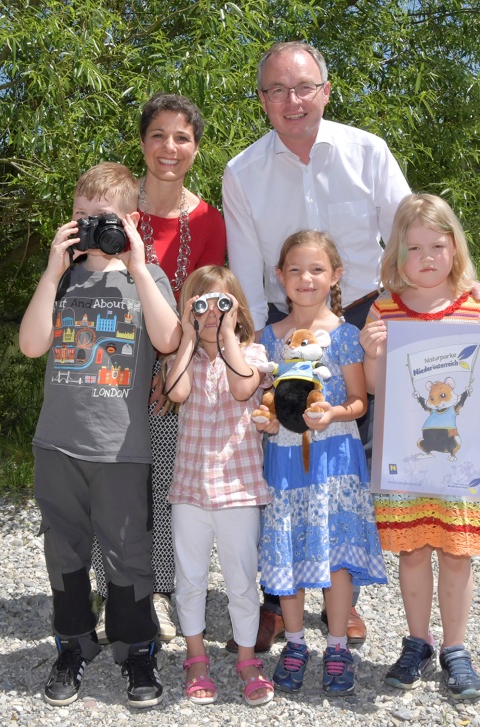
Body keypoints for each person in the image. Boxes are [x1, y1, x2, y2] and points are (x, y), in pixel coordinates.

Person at [222, 39, 411, 651]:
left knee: (351, 465)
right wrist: (253, 353)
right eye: (277, 90)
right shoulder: (242, 172)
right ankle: (280, 601)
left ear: (325, 91)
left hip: (361, 319)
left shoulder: (368, 151)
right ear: (262, 101)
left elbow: (409, 237)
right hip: (281, 326)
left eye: (303, 87)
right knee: (277, 467)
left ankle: (342, 604)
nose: (292, 100)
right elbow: (248, 273)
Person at [19, 162, 181, 708]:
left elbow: (169, 337)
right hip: (58, 442)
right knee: (63, 548)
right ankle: (73, 643)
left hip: (121, 448)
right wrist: (49, 271)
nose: (89, 228)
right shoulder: (63, 279)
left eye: (102, 218)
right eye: (80, 216)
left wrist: (137, 263)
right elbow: (31, 345)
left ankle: (137, 649)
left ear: (132, 220)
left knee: (126, 551)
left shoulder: (146, 279)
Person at [360, 193, 480, 700]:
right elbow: (374, 387)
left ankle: (455, 648)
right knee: (411, 553)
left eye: (438, 245)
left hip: (461, 465)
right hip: (405, 463)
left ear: (455, 248)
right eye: (414, 248)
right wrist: (371, 353)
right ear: (397, 255)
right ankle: (417, 642)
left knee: (457, 555)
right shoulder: (384, 308)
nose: (427, 257)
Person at [89, 93, 227, 643]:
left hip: (179, 369)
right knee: (112, 481)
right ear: (142, 142)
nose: (169, 148)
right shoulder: (114, 212)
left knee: (168, 483)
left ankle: (164, 591)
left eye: (182, 137)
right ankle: (110, 589)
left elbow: (211, 302)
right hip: (112, 365)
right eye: (158, 135)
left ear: (195, 146)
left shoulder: (209, 220)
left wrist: (172, 373)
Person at [252, 230, 387, 697]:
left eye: (316, 269)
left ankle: (336, 647)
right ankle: (294, 644)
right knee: (287, 549)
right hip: (286, 461)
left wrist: (332, 412)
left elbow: (358, 402)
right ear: (280, 277)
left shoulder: (347, 335)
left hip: (337, 459)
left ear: (335, 276)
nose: (305, 278)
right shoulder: (268, 338)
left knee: (335, 554)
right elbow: (265, 403)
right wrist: (267, 424)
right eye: (294, 270)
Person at [162, 265, 274, 707]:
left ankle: (247, 659)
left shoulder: (254, 353)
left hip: (239, 491)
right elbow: (175, 392)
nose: (213, 314)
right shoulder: (182, 359)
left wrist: (228, 336)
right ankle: (196, 657)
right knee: (190, 580)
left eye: (222, 304)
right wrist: (189, 336)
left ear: (238, 310)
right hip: (190, 491)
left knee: (242, 583)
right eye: (203, 305)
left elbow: (244, 387)